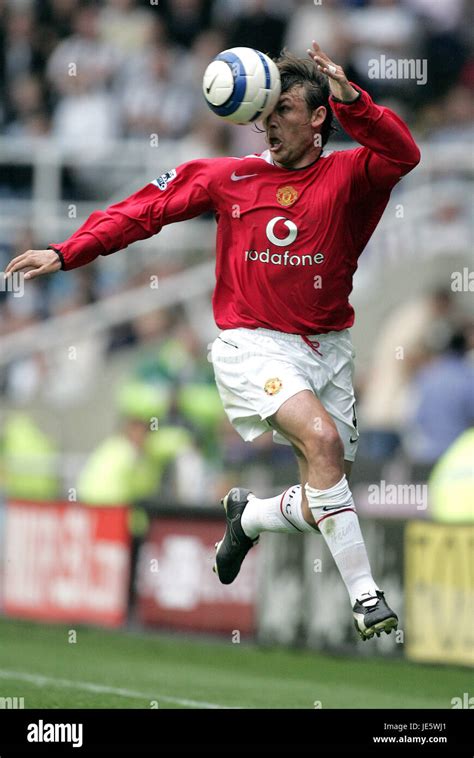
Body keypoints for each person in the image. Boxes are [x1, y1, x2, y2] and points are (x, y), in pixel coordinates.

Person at [4, 41, 420, 640]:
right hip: (252, 344)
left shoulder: (352, 174)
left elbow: (403, 151)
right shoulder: (229, 177)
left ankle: (248, 516)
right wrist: (67, 251)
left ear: (319, 116)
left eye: (285, 112)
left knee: (325, 491)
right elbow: (143, 210)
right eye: (267, 112)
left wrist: (356, 100)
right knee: (323, 440)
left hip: (328, 347)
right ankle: (368, 597)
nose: (270, 123)